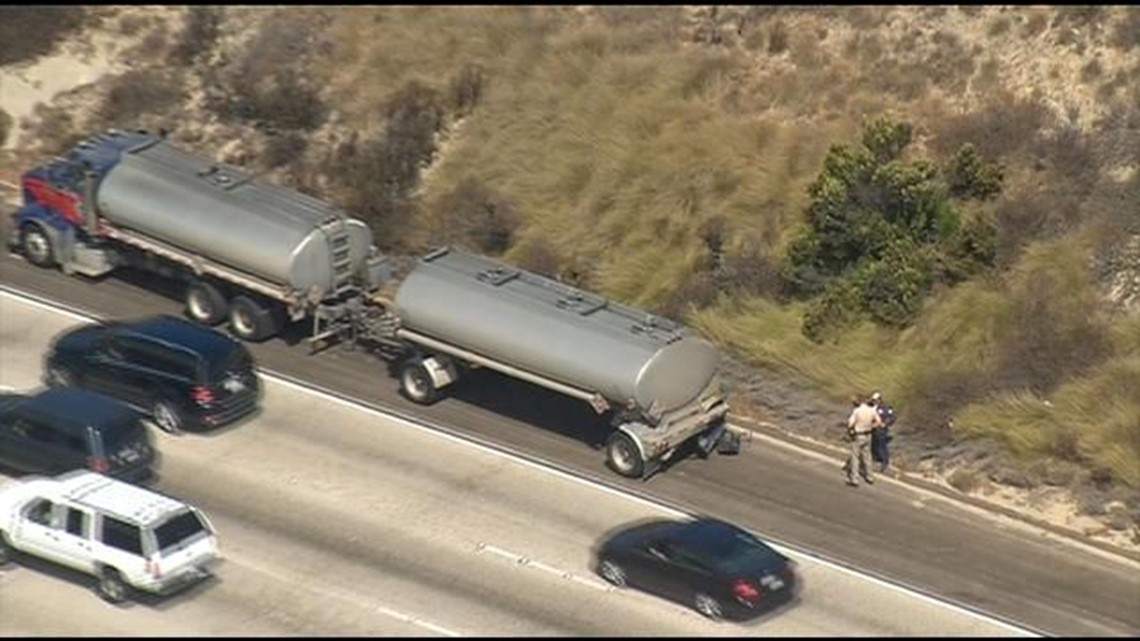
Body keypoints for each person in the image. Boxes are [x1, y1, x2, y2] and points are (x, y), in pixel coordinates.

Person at [845, 395, 882, 486]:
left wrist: (850, 431)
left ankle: (854, 479)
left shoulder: (857, 411)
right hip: (868, 435)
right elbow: (879, 422)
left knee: (855, 457)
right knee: (867, 456)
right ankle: (870, 477)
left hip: (859, 435)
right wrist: (871, 426)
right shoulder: (871, 410)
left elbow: (850, 423)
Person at [870, 391, 896, 473]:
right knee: (873, 445)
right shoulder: (872, 407)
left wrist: (885, 424)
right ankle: (874, 459)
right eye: (873, 400)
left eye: (876, 400)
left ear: (879, 399)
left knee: (881, 446)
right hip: (872, 429)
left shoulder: (885, 407)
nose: (874, 401)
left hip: (881, 430)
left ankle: (884, 461)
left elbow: (892, 417)